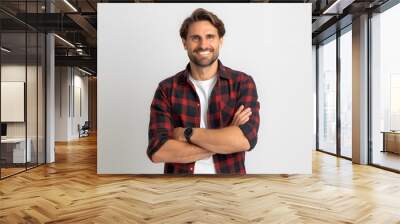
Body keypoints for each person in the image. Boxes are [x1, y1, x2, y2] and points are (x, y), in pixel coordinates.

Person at [147, 8, 260, 174]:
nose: (203, 45)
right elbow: (158, 151)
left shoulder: (242, 83)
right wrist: (224, 140)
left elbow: (245, 140)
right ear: (184, 43)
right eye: (195, 38)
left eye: (210, 37)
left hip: (230, 186)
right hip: (179, 187)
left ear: (220, 40)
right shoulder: (166, 89)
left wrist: (186, 133)